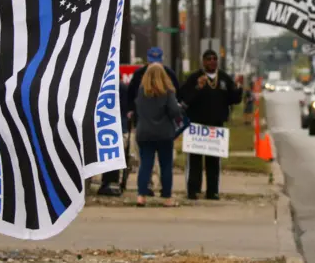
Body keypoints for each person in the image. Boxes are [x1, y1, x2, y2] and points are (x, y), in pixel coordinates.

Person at [180, 49, 243, 200]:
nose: (212, 61)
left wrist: (239, 88)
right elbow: (183, 98)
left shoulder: (224, 79)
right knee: (194, 160)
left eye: (214, 59)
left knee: (214, 161)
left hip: (216, 125)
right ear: (203, 61)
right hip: (196, 126)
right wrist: (197, 88)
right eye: (208, 59)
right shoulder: (194, 78)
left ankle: (212, 191)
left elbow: (233, 99)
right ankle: (193, 190)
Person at [127, 47, 179, 196]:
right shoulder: (168, 89)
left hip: (144, 130)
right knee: (166, 165)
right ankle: (167, 195)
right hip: (164, 132)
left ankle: (141, 195)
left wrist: (132, 114)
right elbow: (175, 109)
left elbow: (132, 101)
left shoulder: (141, 91)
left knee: (145, 164)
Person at [97, 80, 129, 196]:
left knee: (107, 155)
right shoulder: (124, 87)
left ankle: (106, 183)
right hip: (121, 125)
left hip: (105, 125)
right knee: (118, 156)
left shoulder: (101, 86)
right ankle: (115, 184)